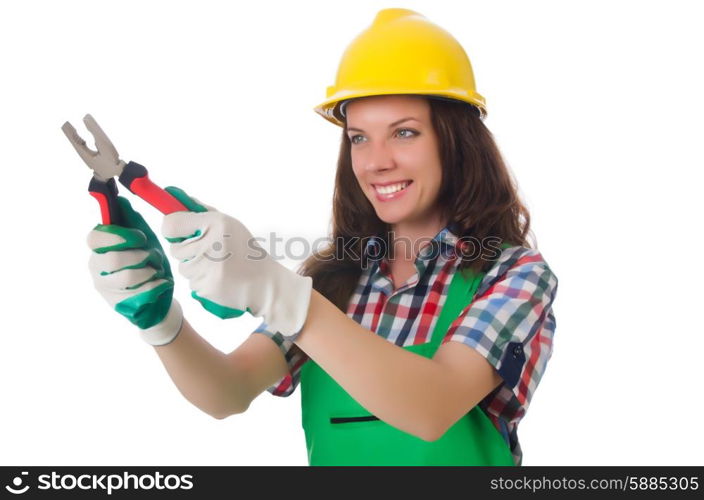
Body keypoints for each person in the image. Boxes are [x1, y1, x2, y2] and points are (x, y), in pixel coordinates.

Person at [84, 8, 558, 466]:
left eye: (404, 133)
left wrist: (280, 293)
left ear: (456, 142)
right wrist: (161, 323)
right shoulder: (332, 279)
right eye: (358, 137)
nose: (375, 162)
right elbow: (227, 392)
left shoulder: (513, 275)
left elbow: (431, 407)